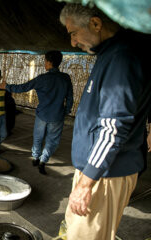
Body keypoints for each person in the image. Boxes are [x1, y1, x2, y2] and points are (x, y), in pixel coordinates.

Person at [59, 3, 151, 240]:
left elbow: (113, 128)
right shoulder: (109, 55)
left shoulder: (122, 59)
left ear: (96, 23)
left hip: (104, 175)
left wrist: (87, 182)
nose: (73, 42)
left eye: (73, 33)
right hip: (96, 171)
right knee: (73, 229)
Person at [0, 51, 73, 175]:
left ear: (49, 62)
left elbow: (23, 87)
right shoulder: (65, 78)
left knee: (38, 137)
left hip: (42, 115)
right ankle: (43, 160)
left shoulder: (42, 79)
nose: (44, 63)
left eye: (45, 61)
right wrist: (65, 111)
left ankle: (36, 157)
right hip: (57, 116)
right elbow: (70, 97)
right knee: (52, 140)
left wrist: (7, 86)